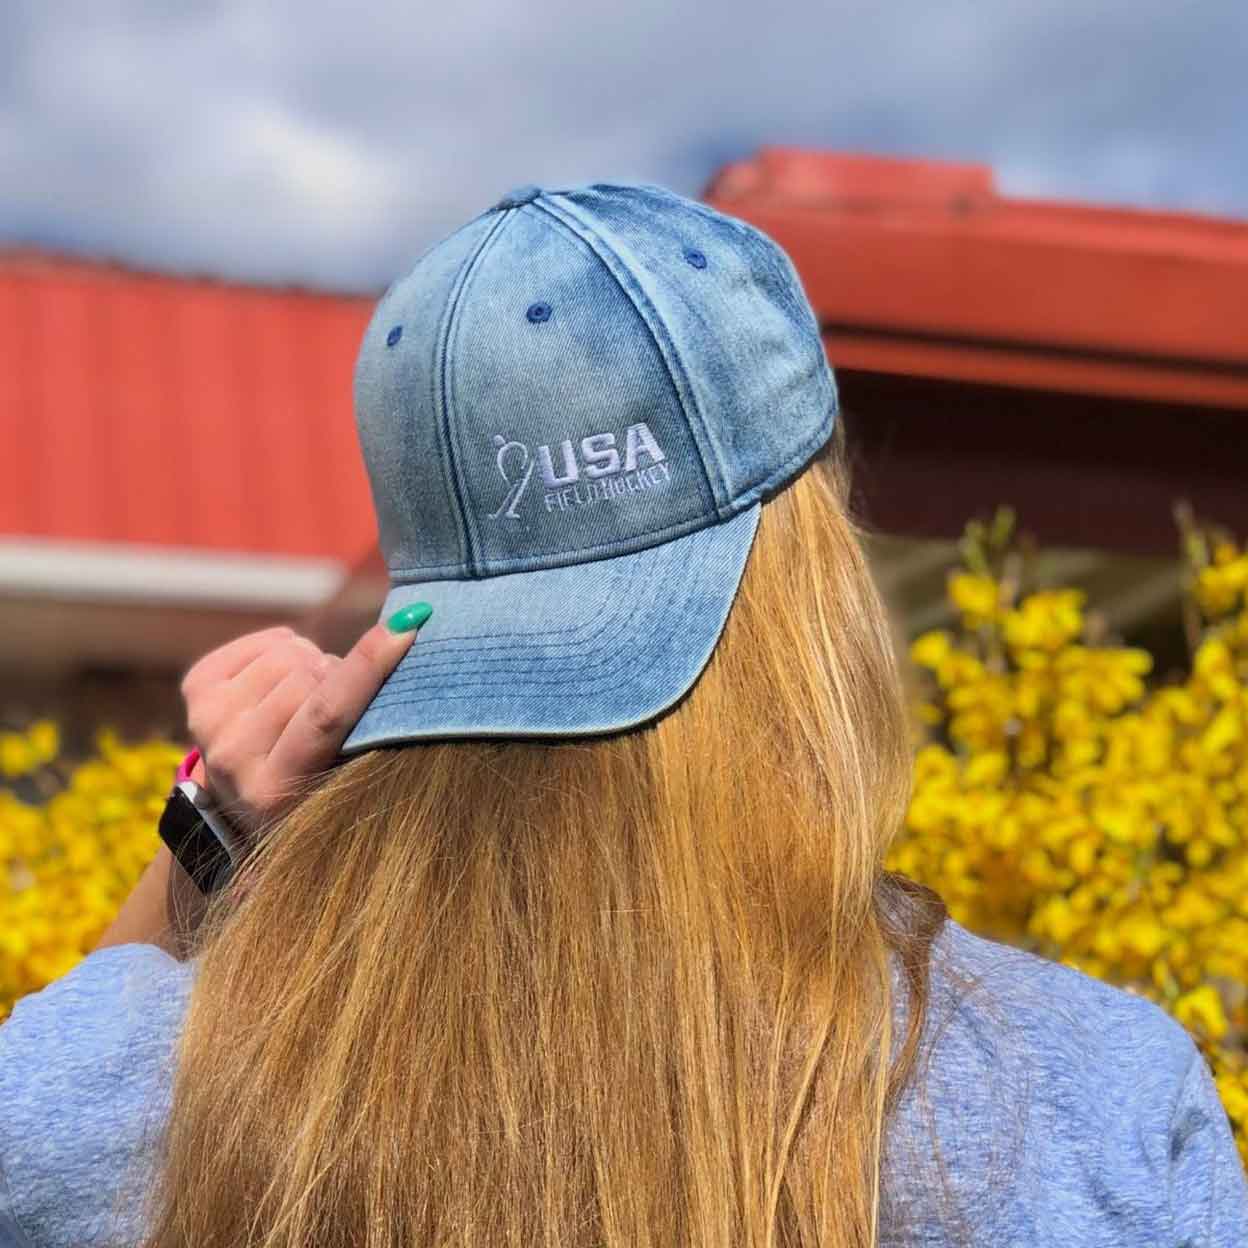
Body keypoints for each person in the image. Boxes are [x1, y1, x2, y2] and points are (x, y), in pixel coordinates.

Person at [0, 182, 1244, 1248]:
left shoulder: (183, 1083)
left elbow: (36, 1125)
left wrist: (210, 827)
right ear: (814, 574)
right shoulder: (1091, 1103)